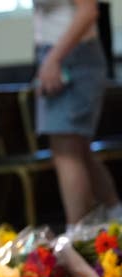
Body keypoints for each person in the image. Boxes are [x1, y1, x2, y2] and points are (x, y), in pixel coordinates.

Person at [33, 0, 122, 234]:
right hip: (59, 52)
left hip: (72, 56)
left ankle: (78, 233)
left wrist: (53, 59)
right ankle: (113, 213)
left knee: (66, 151)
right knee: (79, 149)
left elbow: (88, 11)